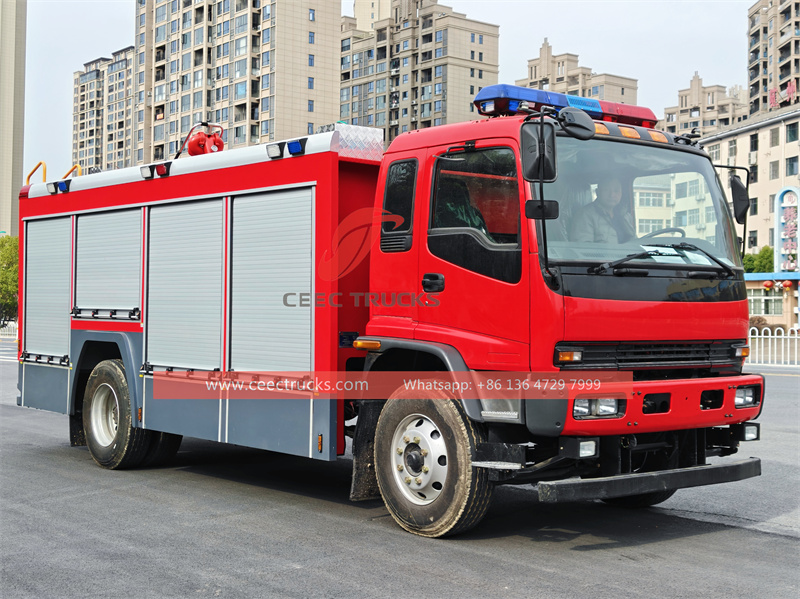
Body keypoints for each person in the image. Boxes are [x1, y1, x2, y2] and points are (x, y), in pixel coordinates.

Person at [570, 177, 635, 243]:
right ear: (597, 192)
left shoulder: (625, 215)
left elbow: (633, 240)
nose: (612, 195)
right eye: (606, 190)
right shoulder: (584, 215)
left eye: (616, 191)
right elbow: (583, 248)